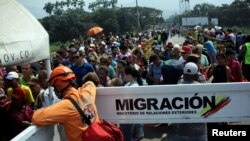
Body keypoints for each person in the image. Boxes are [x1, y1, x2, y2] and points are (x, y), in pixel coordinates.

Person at [32, 66, 99, 141]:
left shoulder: (66, 106)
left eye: (54, 87)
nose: (54, 91)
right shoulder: (87, 93)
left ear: (59, 86)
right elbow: (91, 82)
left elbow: (36, 118)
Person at [168, 62, 207, 141]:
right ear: (196, 74)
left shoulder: (177, 87)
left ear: (184, 73)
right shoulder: (202, 88)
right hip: (200, 133)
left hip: (182, 132)